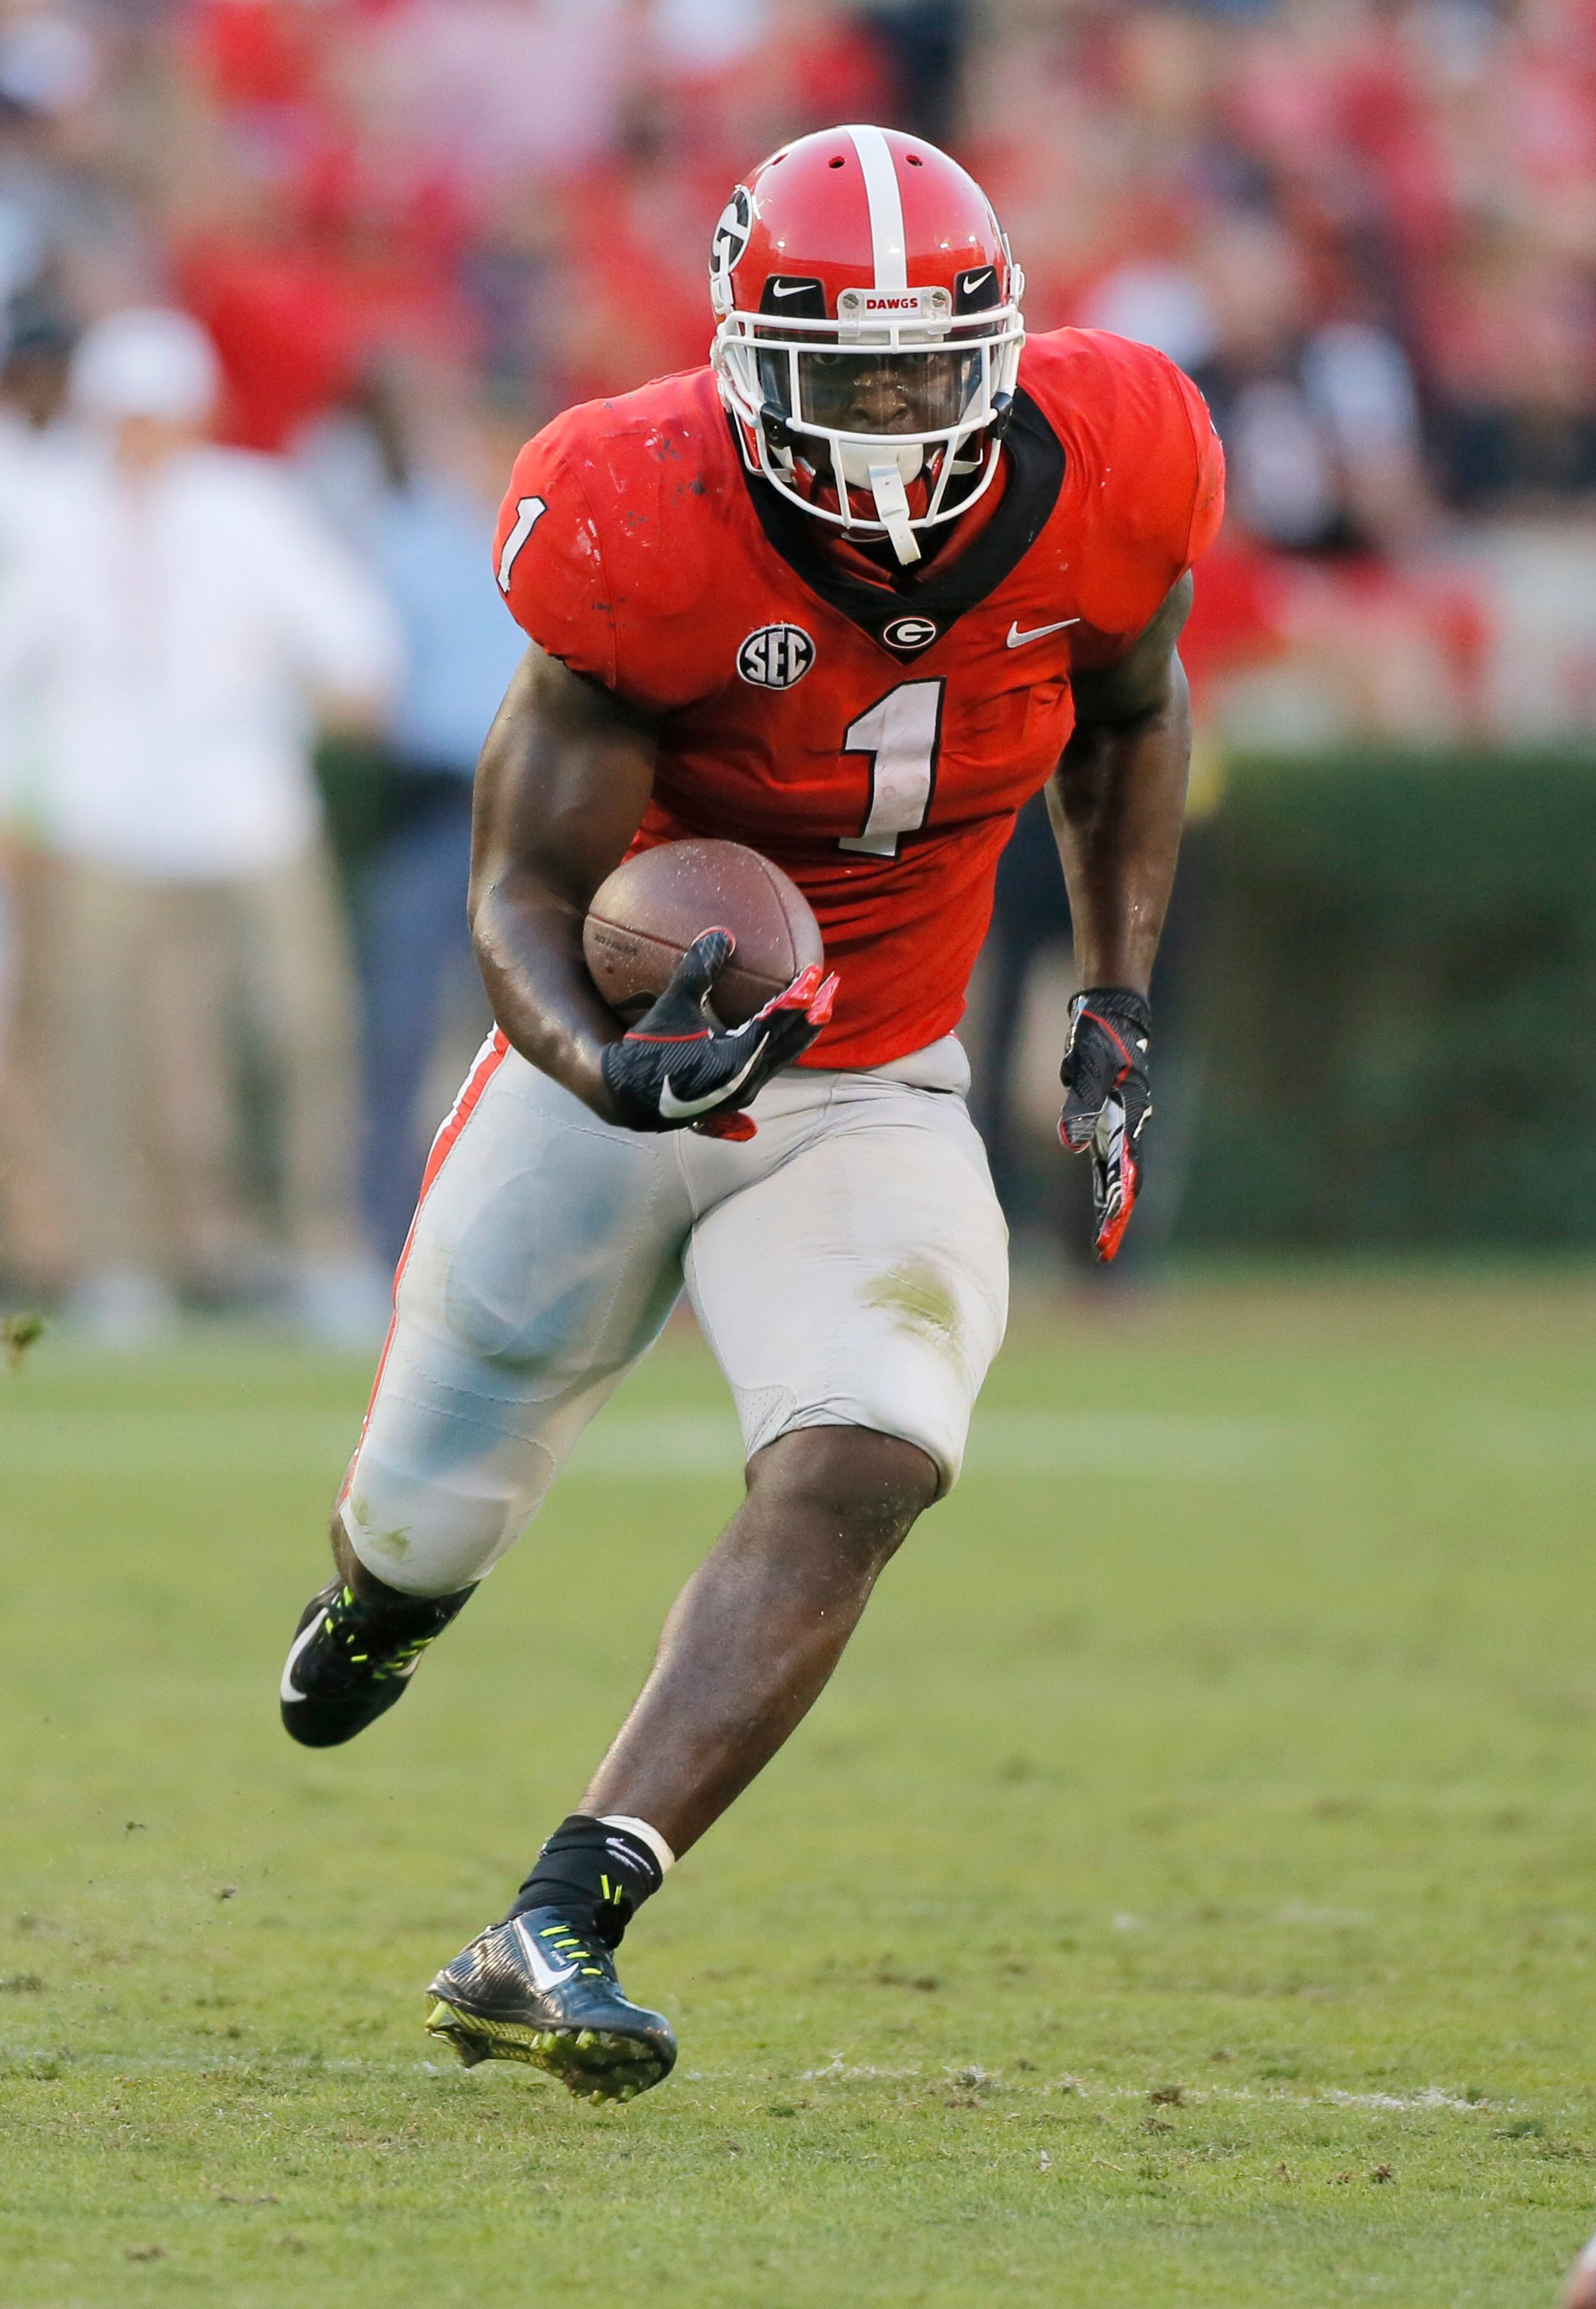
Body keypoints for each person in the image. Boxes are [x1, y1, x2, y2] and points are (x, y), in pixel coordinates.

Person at [278, 125, 1224, 2102]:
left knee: (874, 1450)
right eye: (844, 377)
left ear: (999, 341)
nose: (892, 417)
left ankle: (565, 1910)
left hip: (877, 1072)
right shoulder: (636, 502)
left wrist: (1115, 997)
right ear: (743, 362)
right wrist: (612, 1064)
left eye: (927, 365)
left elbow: (1133, 716)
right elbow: (520, 884)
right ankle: (384, 1603)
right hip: (624, 1066)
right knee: (427, 1510)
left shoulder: (1123, 455)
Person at [0, 308, 401, 1343]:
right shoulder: (51, 514)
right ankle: (116, 1261)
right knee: (96, 1050)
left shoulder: (249, 507)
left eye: (158, 414)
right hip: (99, 820)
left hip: (248, 814)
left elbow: (355, 647)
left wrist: (338, 696)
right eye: (124, 415)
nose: (141, 435)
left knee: (299, 1031)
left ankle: (314, 1247)